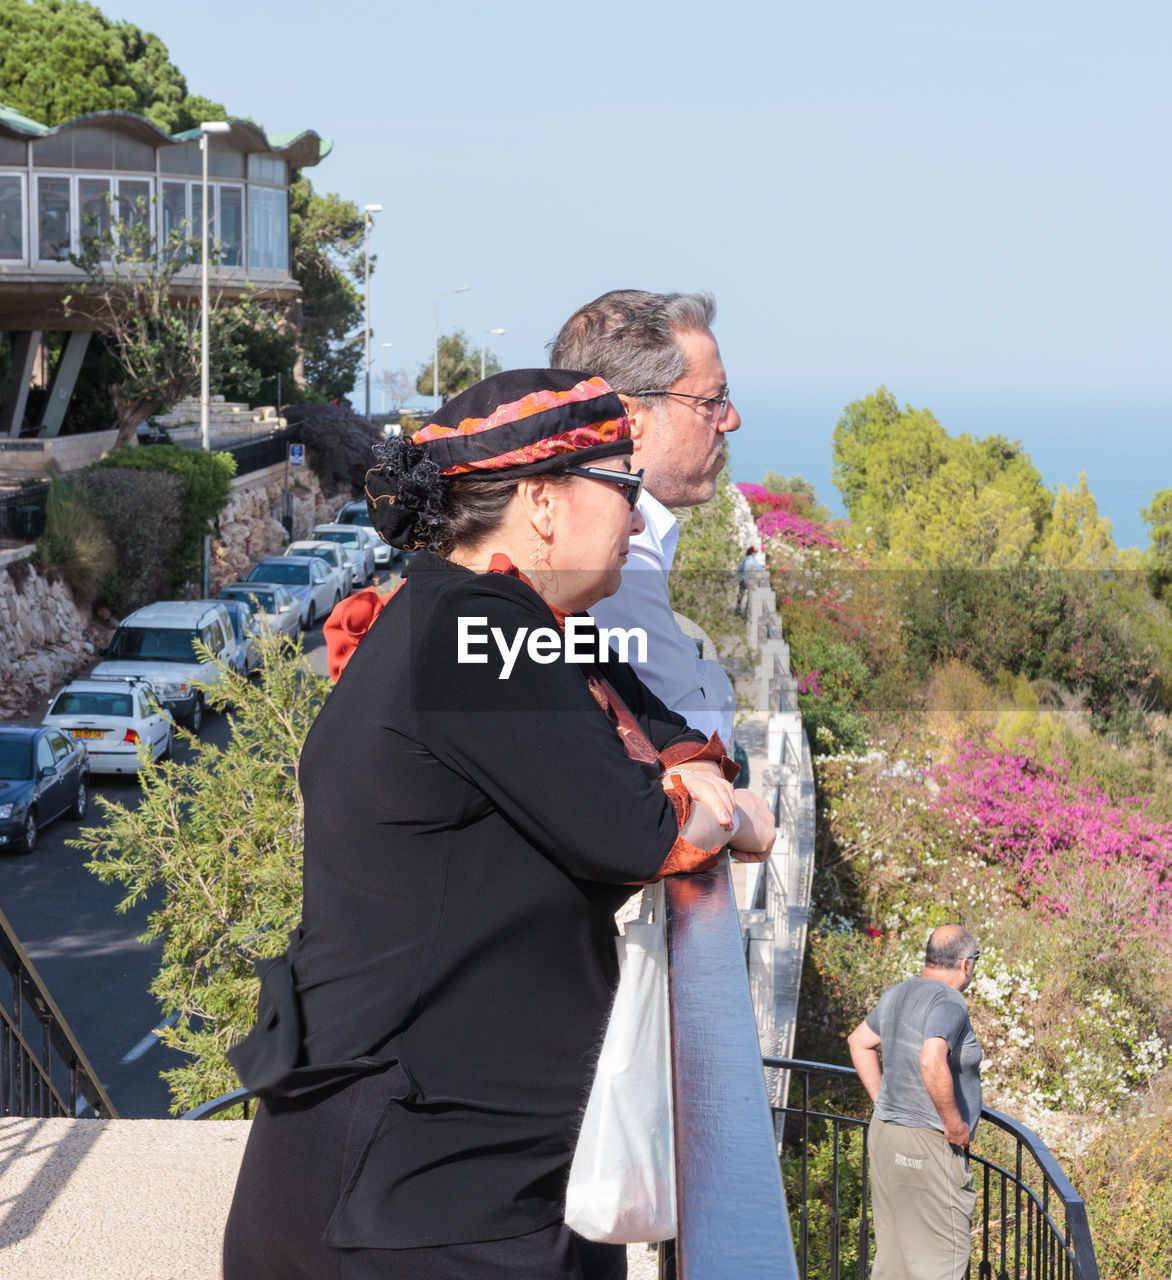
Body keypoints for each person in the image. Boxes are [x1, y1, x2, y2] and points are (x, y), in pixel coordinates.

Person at [222, 369, 776, 1280]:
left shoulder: (506, 622)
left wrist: (703, 782)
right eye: (624, 489)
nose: (637, 521)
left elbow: (670, 737)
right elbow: (642, 830)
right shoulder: (471, 630)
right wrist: (716, 805)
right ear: (544, 502)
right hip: (404, 1199)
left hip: (454, 1177)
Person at [549, 290, 742, 746]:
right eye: (711, 401)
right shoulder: (619, 556)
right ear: (628, 416)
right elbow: (702, 735)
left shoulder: (568, 519)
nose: (730, 419)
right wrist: (709, 673)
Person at [846, 926, 984, 1280]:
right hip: (928, 1145)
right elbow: (930, 1059)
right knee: (941, 1261)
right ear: (965, 964)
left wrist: (882, 1101)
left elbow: (859, 1042)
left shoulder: (897, 993)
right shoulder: (949, 1001)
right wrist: (955, 1126)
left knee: (894, 1263)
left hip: (887, 1136)